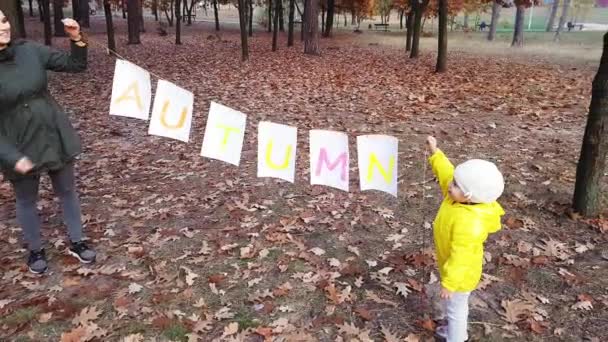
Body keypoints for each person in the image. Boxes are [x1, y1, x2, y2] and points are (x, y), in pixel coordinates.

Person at [0, 11, 96, 274]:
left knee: (67, 190)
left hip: (53, 133)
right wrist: (11, 156)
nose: (3, 27)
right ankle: (35, 250)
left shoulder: (29, 51)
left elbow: (75, 65)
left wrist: (77, 40)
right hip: (17, 144)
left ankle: (77, 241)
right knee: (26, 199)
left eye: (4, 21)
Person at [426, 136, 505, 342]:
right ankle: (453, 330)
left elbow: (461, 256)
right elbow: (446, 173)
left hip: (461, 277)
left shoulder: (470, 223)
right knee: (452, 306)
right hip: (450, 267)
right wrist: (436, 153)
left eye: (456, 185)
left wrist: (450, 283)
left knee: (456, 310)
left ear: (469, 195)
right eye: (453, 182)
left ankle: (457, 338)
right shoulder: (456, 195)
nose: (450, 185)